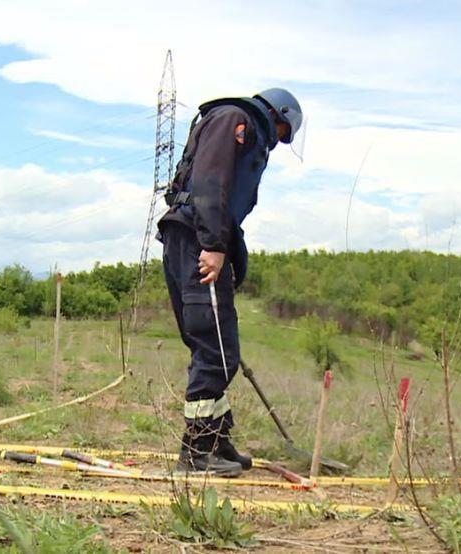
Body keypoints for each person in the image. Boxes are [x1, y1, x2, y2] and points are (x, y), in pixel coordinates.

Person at [157, 88, 303, 477]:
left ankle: (217, 440)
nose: (278, 139)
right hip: (197, 240)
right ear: (277, 113)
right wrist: (214, 245)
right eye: (282, 130)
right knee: (216, 351)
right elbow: (209, 182)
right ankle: (197, 452)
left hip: (193, 237)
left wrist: (230, 252)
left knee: (215, 346)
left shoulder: (236, 122)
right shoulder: (233, 121)